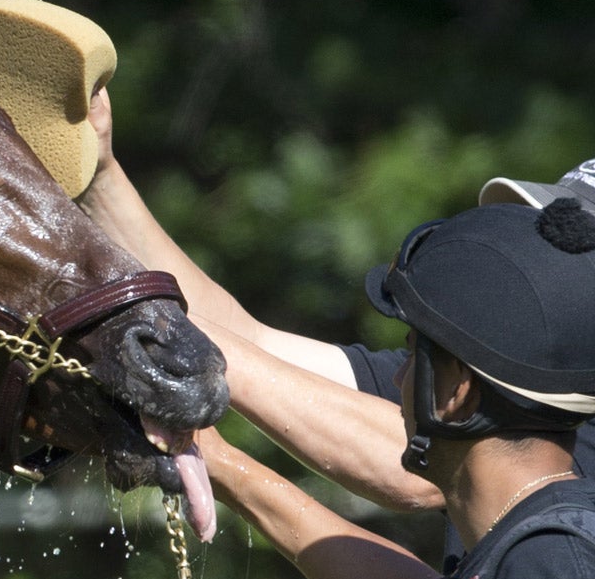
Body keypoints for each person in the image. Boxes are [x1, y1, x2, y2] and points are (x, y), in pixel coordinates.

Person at [82, 89, 595, 525]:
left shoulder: (550, 423)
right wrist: (99, 176)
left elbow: (418, 466)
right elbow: (252, 339)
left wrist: (175, 340)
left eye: (568, 245)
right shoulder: (454, 377)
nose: (536, 258)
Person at [196, 201, 595, 579]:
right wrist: (219, 463)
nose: (399, 378)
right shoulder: (524, 559)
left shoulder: (552, 576)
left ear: (455, 391)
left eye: (410, 355)